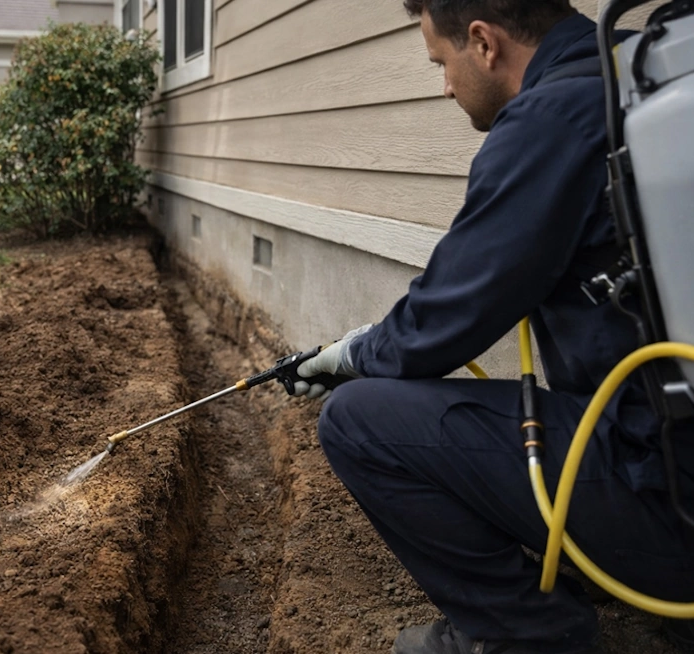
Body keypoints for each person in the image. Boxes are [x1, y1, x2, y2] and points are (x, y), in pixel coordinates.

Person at [292, 1, 694, 653]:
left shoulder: (549, 120)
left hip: (669, 500)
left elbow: (444, 320)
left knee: (357, 420)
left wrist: (350, 354)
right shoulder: (639, 71)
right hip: (672, 459)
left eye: (440, 64)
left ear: (482, 43)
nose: (445, 86)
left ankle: (525, 636)